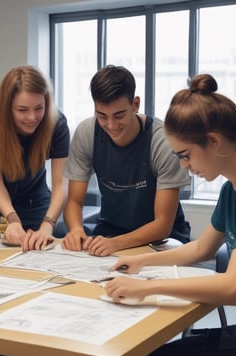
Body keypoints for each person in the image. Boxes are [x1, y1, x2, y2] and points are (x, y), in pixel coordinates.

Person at [105, 74, 236, 356]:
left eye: (186, 155)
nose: (185, 166)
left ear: (213, 141)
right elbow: (202, 248)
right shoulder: (235, 188)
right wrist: (142, 261)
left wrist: (147, 288)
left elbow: (235, 288)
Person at [62, 65, 191, 256]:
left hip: (163, 239)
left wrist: (117, 244)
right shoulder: (87, 133)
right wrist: (76, 230)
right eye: (102, 116)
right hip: (110, 232)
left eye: (119, 115)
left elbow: (162, 224)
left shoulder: (162, 141)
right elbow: (74, 202)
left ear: (135, 104)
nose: (111, 125)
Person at [0, 65, 70, 251]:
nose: (32, 117)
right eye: (22, 110)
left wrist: (47, 225)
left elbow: (60, 182)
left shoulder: (57, 124)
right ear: (7, 107)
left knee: (43, 253)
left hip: (36, 200)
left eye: (39, 108)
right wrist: (12, 220)